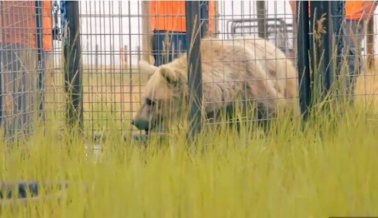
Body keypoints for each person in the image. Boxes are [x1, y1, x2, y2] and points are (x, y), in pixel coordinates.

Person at [289, 0, 377, 96]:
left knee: (347, 64)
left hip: (351, 12)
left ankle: (343, 107)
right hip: (308, 12)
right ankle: (313, 108)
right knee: (309, 64)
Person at [0, 1, 53, 139]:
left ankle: (23, 144)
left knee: (30, 102)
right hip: (19, 39)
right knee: (22, 102)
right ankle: (19, 145)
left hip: (38, 41)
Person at [149, 1, 216, 66]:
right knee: (192, 69)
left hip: (165, 24)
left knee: (166, 69)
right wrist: (208, 27)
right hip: (192, 26)